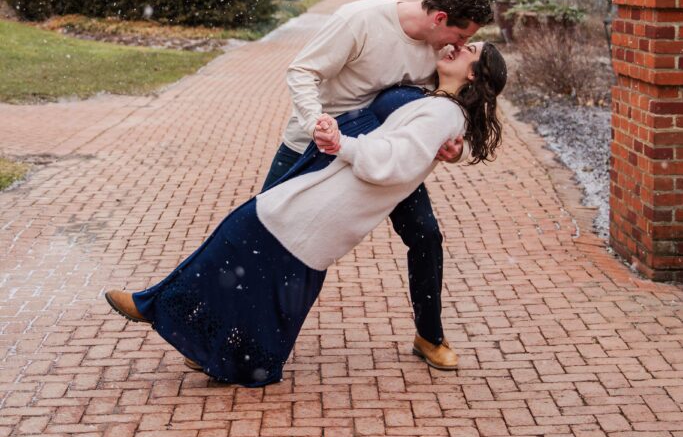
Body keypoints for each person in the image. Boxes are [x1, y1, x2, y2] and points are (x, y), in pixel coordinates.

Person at [104, 41, 507, 387]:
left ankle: (160, 307)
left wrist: (342, 145)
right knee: (272, 271)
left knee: (244, 237)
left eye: (468, 48)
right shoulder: (430, 83)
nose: (457, 46)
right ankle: (228, 352)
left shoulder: (443, 111)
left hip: (340, 190)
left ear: (473, 75)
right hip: (334, 185)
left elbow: (397, 160)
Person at [261, 0, 493, 370]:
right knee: (263, 234)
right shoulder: (361, 21)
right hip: (313, 145)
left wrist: (456, 151)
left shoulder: (441, 55)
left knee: (426, 236)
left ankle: (429, 336)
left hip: (382, 157)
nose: (459, 47)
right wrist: (318, 122)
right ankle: (225, 330)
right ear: (440, 18)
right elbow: (302, 71)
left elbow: (457, 110)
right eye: (460, 36)